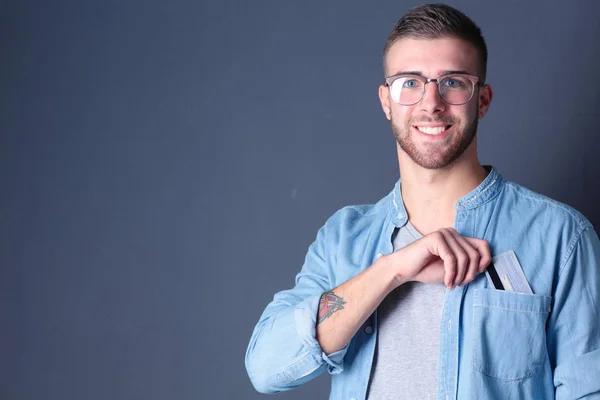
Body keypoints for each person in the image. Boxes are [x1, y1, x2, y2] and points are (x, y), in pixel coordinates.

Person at [245, 4, 600, 399]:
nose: (431, 103)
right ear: (386, 101)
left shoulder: (560, 237)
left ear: (482, 100)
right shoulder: (342, 240)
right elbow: (267, 366)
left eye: (452, 82)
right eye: (409, 83)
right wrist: (392, 271)